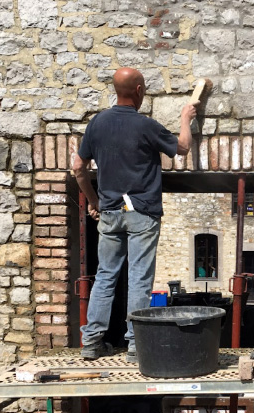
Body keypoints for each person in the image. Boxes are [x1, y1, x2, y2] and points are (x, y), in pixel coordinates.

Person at [73, 67, 198, 362]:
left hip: (111, 213)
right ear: (140, 90)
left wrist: (95, 203)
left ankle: (91, 342)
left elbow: (78, 168)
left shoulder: (97, 124)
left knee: (105, 276)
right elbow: (181, 148)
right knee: (139, 278)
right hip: (141, 211)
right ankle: (134, 345)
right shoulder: (145, 125)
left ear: (115, 91)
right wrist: (185, 119)